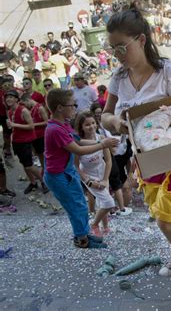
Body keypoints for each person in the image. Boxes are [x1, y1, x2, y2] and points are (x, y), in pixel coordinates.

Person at [100, 8, 171, 277]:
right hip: (145, 160)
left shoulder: (169, 72)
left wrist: (156, 121)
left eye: (122, 47)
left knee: (165, 221)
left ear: (142, 40)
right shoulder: (119, 78)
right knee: (162, 216)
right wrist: (114, 123)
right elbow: (105, 115)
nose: (117, 55)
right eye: (112, 49)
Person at [43, 89, 118, 249]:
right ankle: (82, 239)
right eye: (72, 105)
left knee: (80, 204)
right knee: (76, 206)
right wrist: (102, 144)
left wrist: (102, 141)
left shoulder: (62, 125)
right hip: (58, 176)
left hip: (67, 172)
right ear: (59, 108)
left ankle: (84, 232)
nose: (75, 108)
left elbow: (80, 141)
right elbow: (77, 149)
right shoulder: (55, 130)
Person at [75, 112, 115, 237]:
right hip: (89, 176)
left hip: (103, 172)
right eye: (87, 125)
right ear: (81, 127)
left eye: (93, 123)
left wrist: (105, 179)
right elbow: (75, 166)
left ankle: (105, 226)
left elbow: (108, 160)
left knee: (102, 202)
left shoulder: (102, 139)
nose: (91, 126)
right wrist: (88, 181)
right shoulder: (77, 143)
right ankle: (94, 224)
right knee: (109, 203)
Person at [5, 90, 47, 194]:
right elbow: (13, 127)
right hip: (16, 141)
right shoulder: (10, 112)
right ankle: (33, 183)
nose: (8, 99)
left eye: (11, 97)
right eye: (7, 98)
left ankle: (43, 182)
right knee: (24, 164)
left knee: (29, 165)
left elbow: (31, 126)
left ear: (16, 99)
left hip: (26, 141)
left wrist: (14, 125)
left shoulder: (23, 110)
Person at [21, 94, 48, 169]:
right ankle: (44, 169)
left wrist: (33, 124)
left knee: (43, 155)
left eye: (24, 103)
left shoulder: (40, 108)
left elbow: (46, 122)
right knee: (38, 154)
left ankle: (45, 170)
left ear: (28, 100)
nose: (25, 106)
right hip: (35, 135)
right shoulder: (31, 108)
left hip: (41, 135)